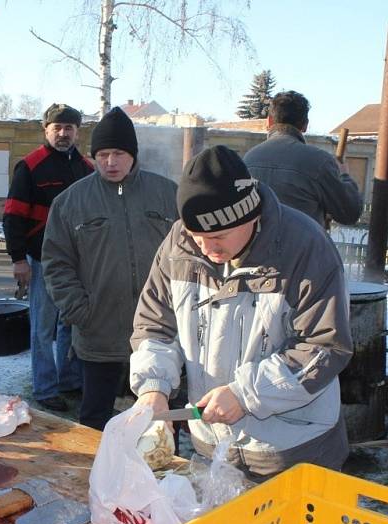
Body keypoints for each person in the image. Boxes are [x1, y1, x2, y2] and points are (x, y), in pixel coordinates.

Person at [130, 145, 353, 480]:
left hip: (294, 450)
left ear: (249, 215)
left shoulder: (304, 246)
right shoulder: (179, 244)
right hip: (212, 446)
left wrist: (245, 394)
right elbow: (155, 324)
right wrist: (154, 386)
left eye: (217, 236)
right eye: (196, 236)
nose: (206, 248)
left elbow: (324, 346)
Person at [42, 107, 178, 430]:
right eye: (102, 154)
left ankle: (159, 478)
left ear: (133, 154)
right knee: (93, 421)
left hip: (157, 336)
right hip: (98, 335)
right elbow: (56, 263)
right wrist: (79, 310)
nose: (110, 162)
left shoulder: (167, 194)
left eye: (118, 153)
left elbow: (187, 254)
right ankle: (90, 479)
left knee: (160, 421)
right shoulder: (70, 202)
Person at [2, 103, 94, 411]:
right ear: (46, 130)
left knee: (70, 323)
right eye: (57, 128)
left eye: (69, 128)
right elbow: (13, 216)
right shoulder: (29, 166)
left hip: (77, 260)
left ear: (77, 132)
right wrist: (18, 260)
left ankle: (69, 380)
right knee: (42, 327)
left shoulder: (87, 168)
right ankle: (45, 388)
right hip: (41, 258)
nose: (63, 133)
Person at [243, 90, 363, 228]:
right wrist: (344, 175)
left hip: (258, 248)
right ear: (305, 125)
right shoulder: (319, 162)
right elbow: (349, 213)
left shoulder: (249, 159)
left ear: (269, 121)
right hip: (303, 248)